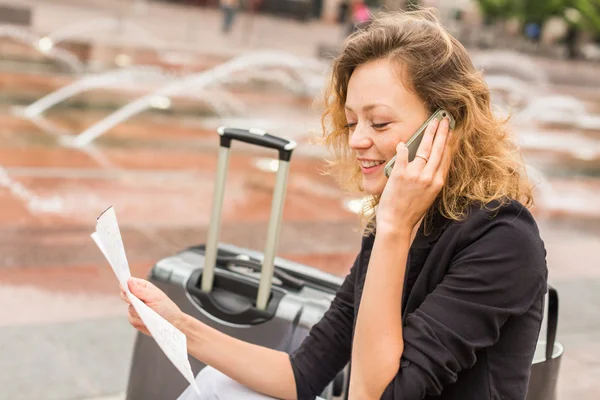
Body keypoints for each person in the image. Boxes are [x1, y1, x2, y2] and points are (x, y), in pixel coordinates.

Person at [121, 8, 548, 400]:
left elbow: (371, 395)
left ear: (445, 125)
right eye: (351, 122)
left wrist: (394, 229)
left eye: (378, 122)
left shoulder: (503, 240)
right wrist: (177, 325)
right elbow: (302, 374)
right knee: (217, 386)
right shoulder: (395, 222)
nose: (358, 139)